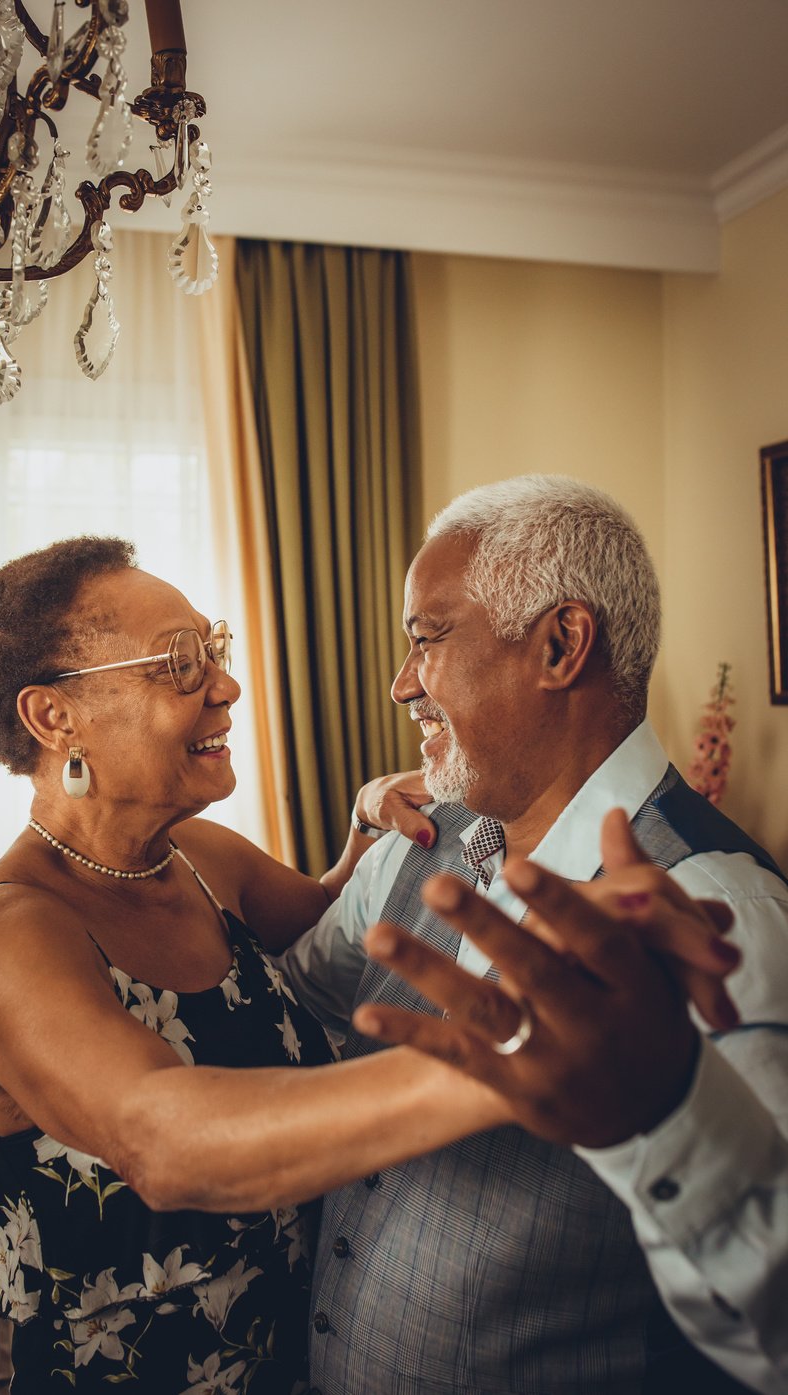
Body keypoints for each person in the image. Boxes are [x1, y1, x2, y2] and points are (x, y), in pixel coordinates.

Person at [0, 536, 518, 1394]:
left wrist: (365, 826)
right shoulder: (8, 935)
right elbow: (160, 1136)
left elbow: (342, 944)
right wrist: (507, 1070)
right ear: (54, 717)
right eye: (177, 661)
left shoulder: (202, 857)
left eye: (212, 647)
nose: (226, 684)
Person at [278, 475, 788, 1395]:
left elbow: (773, 1310)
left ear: (560, 644)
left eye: (426, 639)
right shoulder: (415, 849)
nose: (402, 685)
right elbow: (294, 999)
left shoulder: (718, 909)